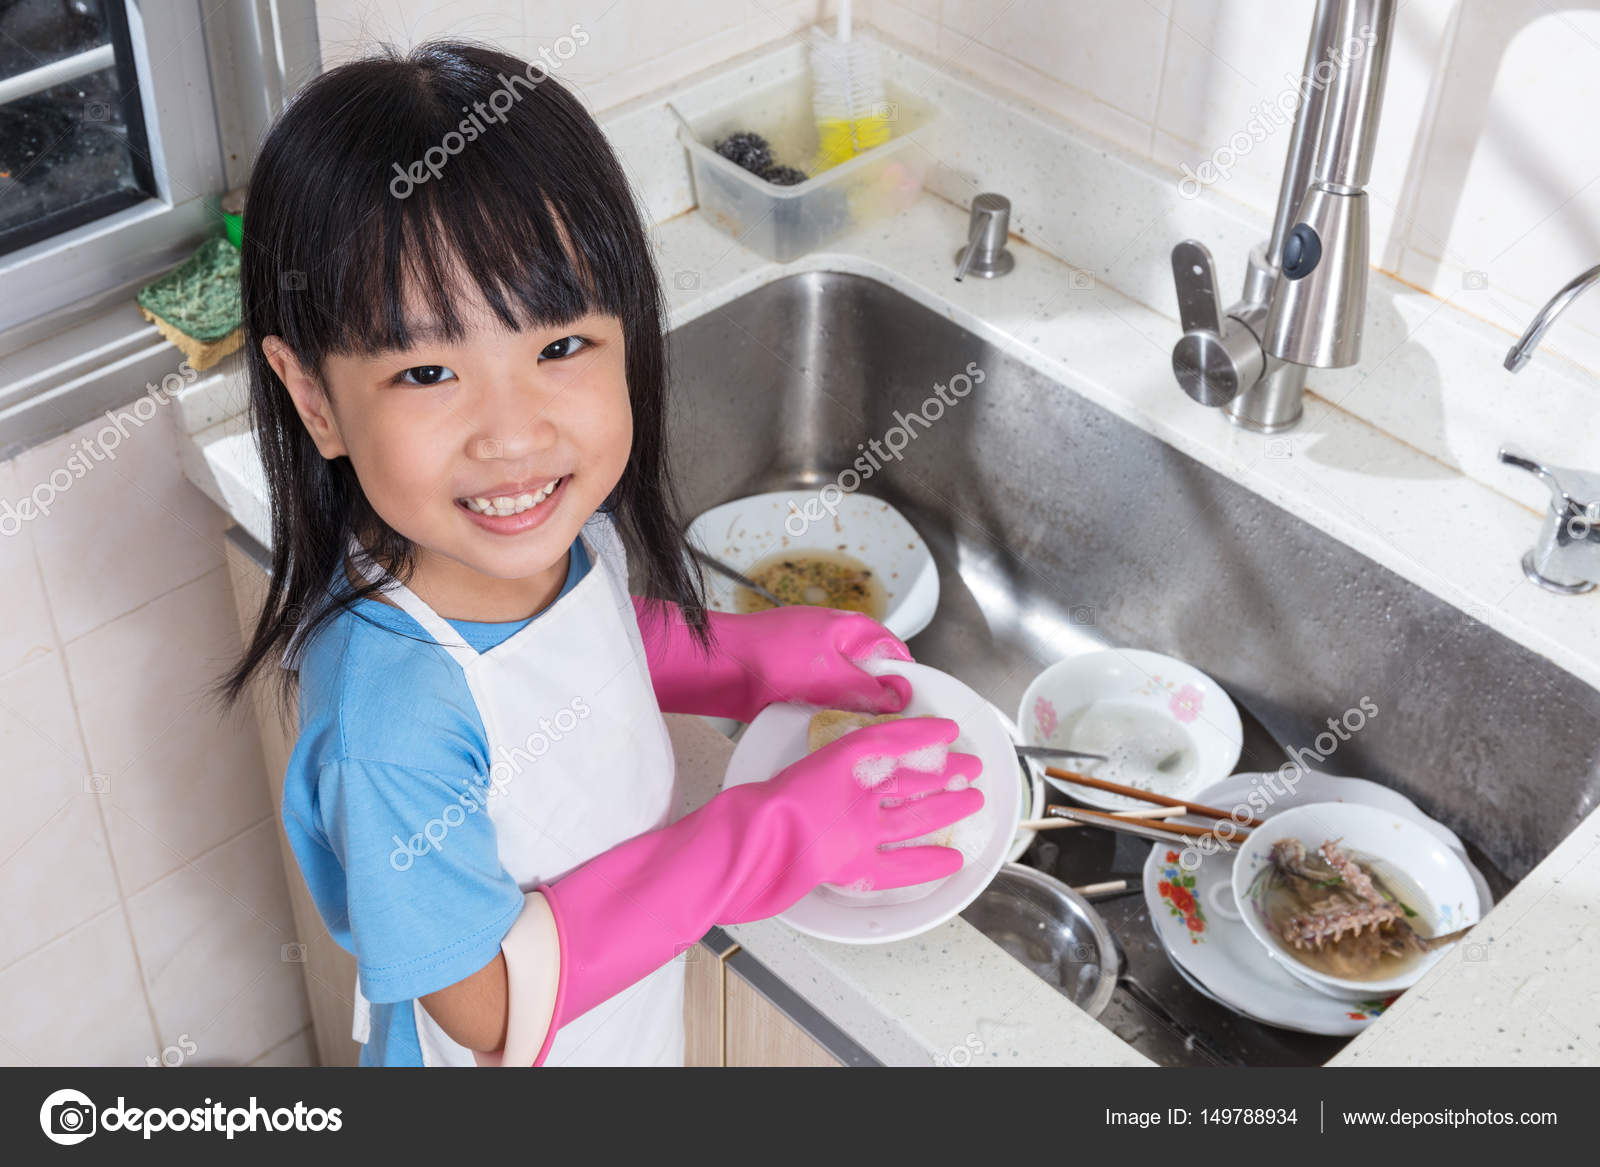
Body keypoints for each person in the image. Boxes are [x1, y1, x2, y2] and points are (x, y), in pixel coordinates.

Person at [213, 38, 984, 1067]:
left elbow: (575, 656)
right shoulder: (390, 725)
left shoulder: (554, 533)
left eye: (561, 348)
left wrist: (745, 658)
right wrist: (770, 839)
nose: (514, 433)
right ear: (315, 397)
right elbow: (484, 1007)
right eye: (429, 372)